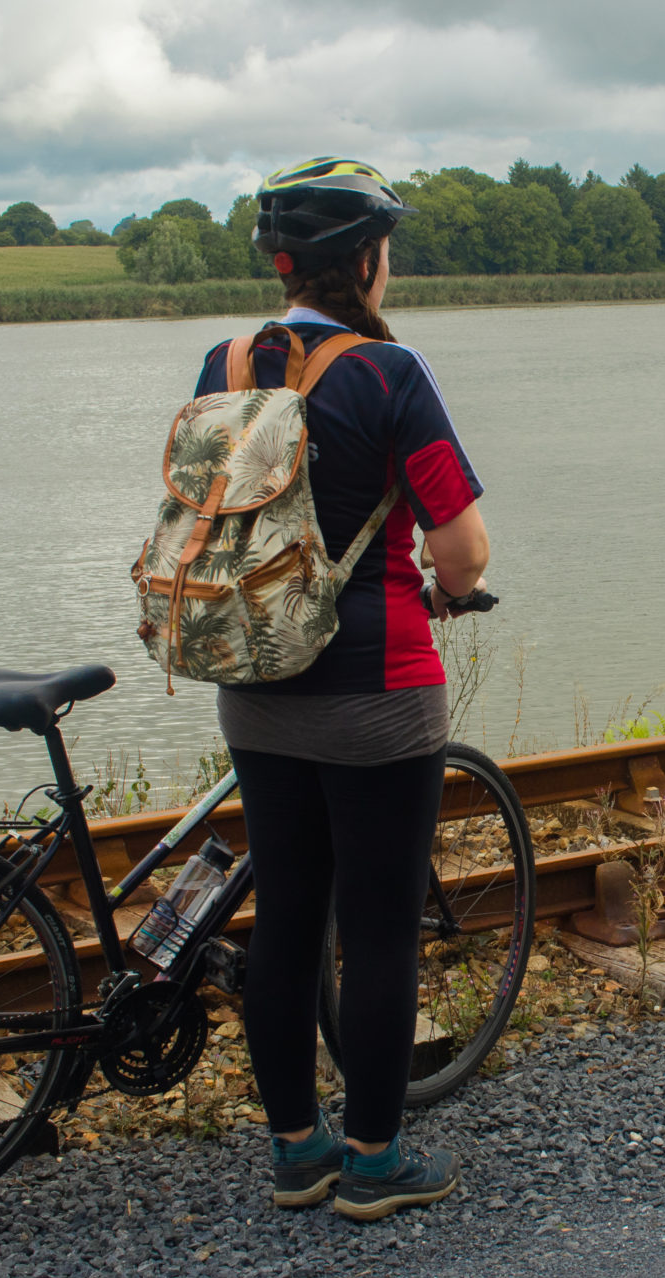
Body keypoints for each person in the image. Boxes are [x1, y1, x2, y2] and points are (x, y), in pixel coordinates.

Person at [194, 157, 489, 1222]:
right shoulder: (387, 372)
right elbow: (458, 545)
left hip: (256, 679)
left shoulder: (222, 362)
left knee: (285, 921)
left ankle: (295, 1149)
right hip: (374, 682)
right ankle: (372, 1157)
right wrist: (457, 589)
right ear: (361, 261)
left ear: (285, 266)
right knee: (375, 931)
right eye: (385, 250)